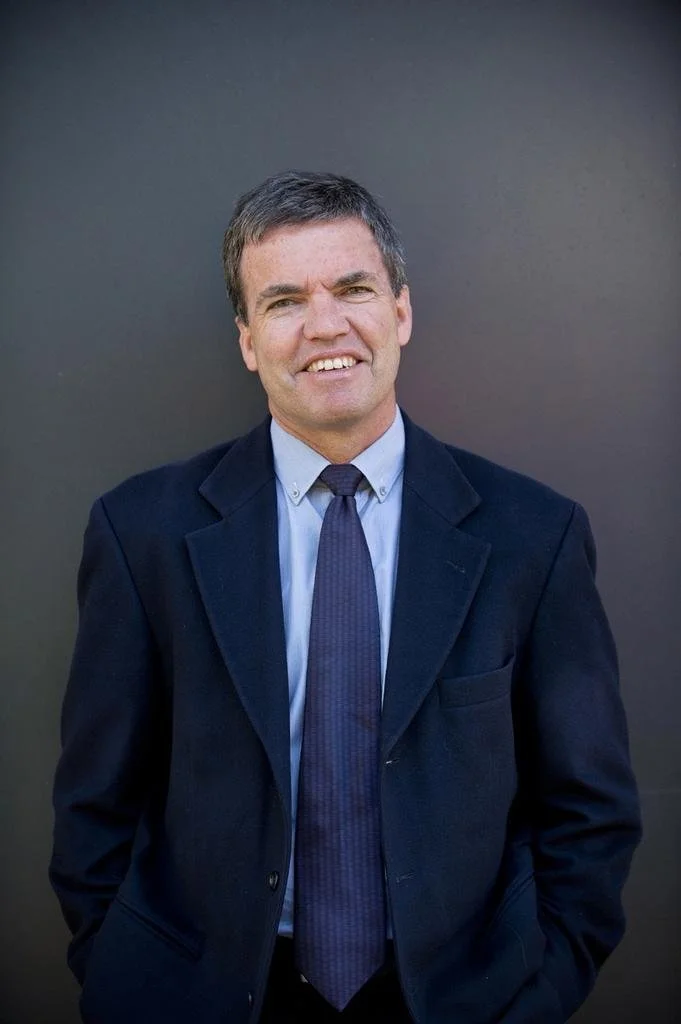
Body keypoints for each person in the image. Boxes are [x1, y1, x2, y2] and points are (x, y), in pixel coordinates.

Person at [50, 170, 641, 1024]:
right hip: (208, 993)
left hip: (459, 997)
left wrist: (536, 996)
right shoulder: (141, 532)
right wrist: (121, 976)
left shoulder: (530, 536)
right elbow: (94, 804)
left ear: (400, 311)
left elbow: (589, 810)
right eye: (284, 300)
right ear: (248, 339)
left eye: (353, 288)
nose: (325, 325)